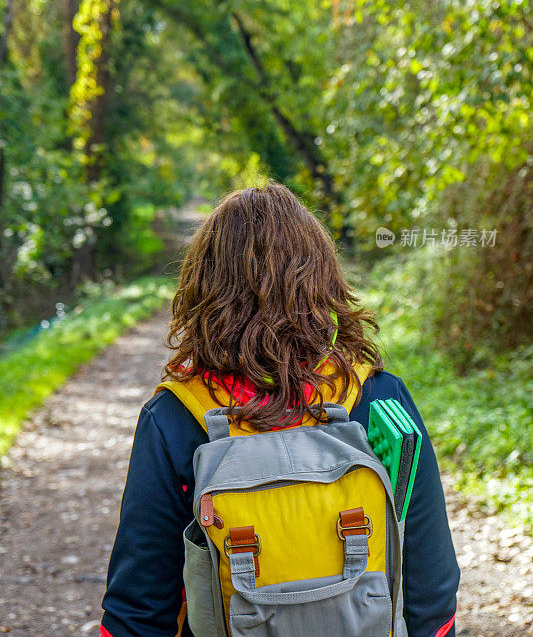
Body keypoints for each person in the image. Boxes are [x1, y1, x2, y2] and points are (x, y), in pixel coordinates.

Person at [100, 183, 460, 637]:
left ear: (202, 287)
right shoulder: (378, 399)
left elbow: (138, 608)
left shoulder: (174, 417)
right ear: (323, 280)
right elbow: (432, 588)